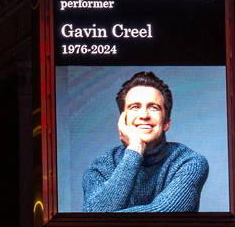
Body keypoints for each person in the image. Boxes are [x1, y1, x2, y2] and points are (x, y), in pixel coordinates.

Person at [82, 70, 209, 212]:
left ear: (166, 122)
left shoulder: (189, 162)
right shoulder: (101, 167)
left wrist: (109, 222)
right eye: (135, 107)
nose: (144, 115)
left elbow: (162, 218)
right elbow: (94, 218)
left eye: (154, 107)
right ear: (122, 120)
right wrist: (134, 152)